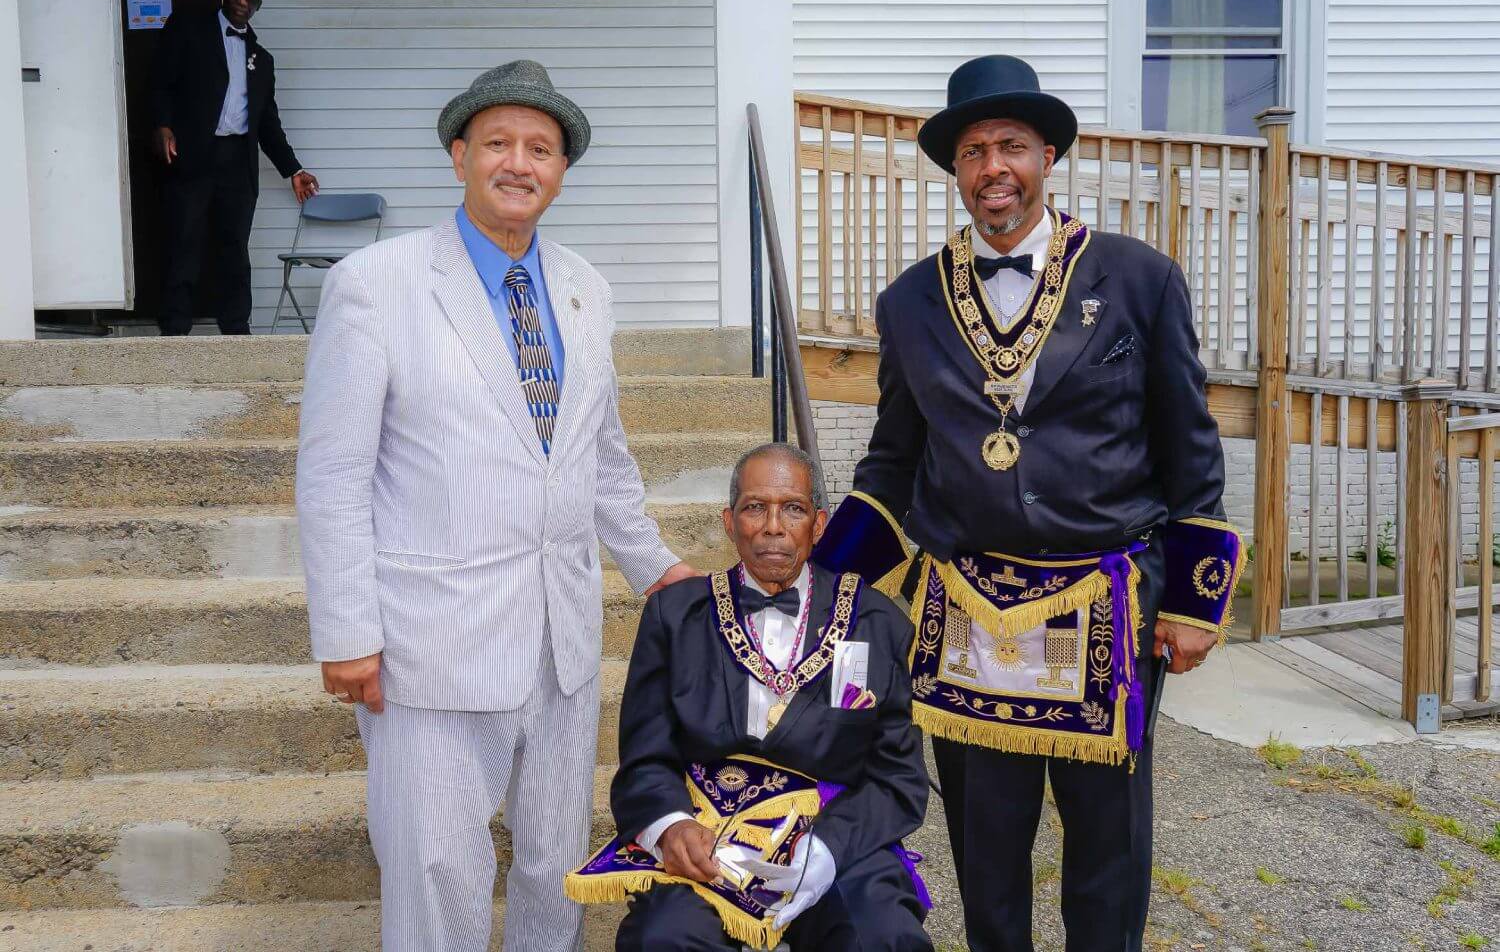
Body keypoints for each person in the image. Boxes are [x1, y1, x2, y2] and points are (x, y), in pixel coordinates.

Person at [813, 56, 1244, 952]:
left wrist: (1196, 600)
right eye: (973, 152)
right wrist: (826, 589)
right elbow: (894, 459)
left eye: (1011, 145)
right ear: (955, 171)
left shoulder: (1138, 278)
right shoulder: (909, 302)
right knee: (985, 842)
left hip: (1108, 602)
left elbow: (1188, 446)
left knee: (1108, 839)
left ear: (1047, 155)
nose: (992, 167)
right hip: (966, 608)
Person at [296, 58, 696, 952]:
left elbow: (601, 451)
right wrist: (346, 629)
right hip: (427, 641)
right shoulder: (376, 284)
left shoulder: (586, 289)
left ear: (561, 170)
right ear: (459, 155)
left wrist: (656, 566)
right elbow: (332, 475)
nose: (519, 163)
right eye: (499, 144)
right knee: (436, 868)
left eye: (541, 149)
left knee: (555, 860)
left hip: (559, 639)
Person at [567, 443, 932, 952]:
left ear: (819, 524)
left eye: (794, 508)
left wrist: (828, 847)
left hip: (834, 835)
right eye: (755, 507)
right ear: (729, 521)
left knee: (881, 936)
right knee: (664, 938)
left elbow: (898, 777)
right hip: (707, 837)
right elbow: (645, 761)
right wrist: (672, 828)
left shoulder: (876, 621)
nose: (774, 527)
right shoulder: (676, 617)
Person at [150, 0, 319, 335]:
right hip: (193, 155)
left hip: (236, 163)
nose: (243, 3)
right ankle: (175, 328)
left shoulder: (262, 59)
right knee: (184, 240)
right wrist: (163, 124)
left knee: (234, 247)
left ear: (257, 6)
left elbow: (268, 123)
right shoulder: (189, 31)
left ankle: (236, 328)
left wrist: (293, 169)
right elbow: (161, 80)